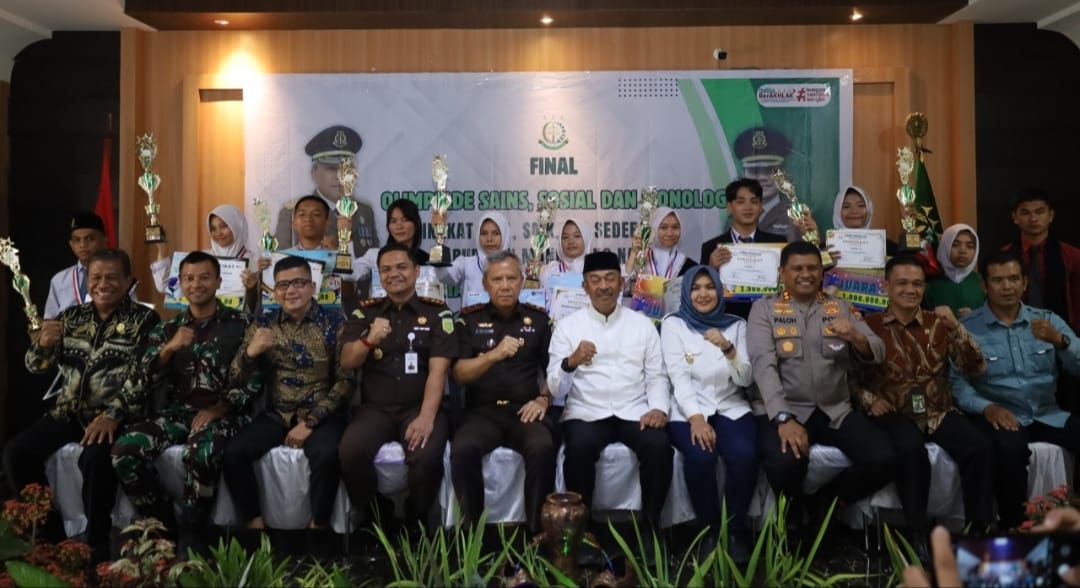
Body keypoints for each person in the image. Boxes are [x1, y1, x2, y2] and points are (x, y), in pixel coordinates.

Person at [3, 249, 160, 562]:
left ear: (128, 280)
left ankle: (96, 548)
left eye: (112, 277)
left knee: (95, 459)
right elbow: (36, 366)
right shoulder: (71, 317)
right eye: (96, 277)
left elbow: (145, 375)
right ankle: (51, 538)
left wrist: (113, 415)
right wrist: (42, 345)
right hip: (68, 413)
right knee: (16, 453)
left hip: (118, 416)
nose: (102, 284)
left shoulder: (144, 320)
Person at [111, 252, 251, 556]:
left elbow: (254, 376)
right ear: (180, 283)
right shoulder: (166, 329)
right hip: (176, 414)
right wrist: (169, 349)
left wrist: (220, 408)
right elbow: (141, 378)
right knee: (125, 452)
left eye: (204, 277)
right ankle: (163, 525)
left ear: (218, 281)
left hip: (225, 413)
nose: (196, 284)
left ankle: (194, 530)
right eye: (189, 278)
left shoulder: (241, 324)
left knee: (203, 453)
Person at [746, 241, 894, 526]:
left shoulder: (839, 307)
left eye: (813, 268)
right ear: (782, 273)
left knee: (884, 457)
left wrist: (855, 337)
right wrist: (783, 418)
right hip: (785, 408)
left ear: (821, 272)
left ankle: (828, 503)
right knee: (785, 463)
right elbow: (764, 366)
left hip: (834, 410)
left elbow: (877, 351)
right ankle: (792, 521)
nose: (806, 274)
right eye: (797, 268)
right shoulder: (763, 309)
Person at [853, 255, 992, 557]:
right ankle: (917, 534)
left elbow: (976, 367)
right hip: (893, 412)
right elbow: (850, 378)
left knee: (979, 448)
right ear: (885, 286)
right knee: (911, 451)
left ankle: (977, 531)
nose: (910, 290)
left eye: (917, 284)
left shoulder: (938, 323)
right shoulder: (867, 326)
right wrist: (870, 400)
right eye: (902, 283)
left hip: (937, 411)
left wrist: (956, 327)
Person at [950, 249, 1080, 530]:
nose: (1007, 286)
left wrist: (1061, 341)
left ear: (1025, 282)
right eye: (998, 280)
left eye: (1013, 279)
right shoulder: (967, 329)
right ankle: (1015, 529)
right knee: (1008, 452)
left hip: (1046, 413)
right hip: (1002, 414)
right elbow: (956, 383)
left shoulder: (1047, 320)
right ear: (984, 286)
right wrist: (987, 408)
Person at [221, 255, 351, 531]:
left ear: (312, 287)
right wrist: (250, 353)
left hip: (323, 415)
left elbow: (345, 382)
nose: (291, 290)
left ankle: (319, 530)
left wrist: (311, 422)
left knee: (327, 455)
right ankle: (256, 529)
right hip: (277, 414)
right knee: (234, 453)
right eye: (283, 285)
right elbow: (234, 378)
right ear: (274, 292)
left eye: (299, 283)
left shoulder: (334, 324)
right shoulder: (263, 325)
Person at [547, 251, 672, 533]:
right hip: (586, 411)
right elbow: (555, 387)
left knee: (659, 446)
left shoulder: (642, 325)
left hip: (634, 410)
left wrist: (658, 408)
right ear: (584, 286)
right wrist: (571, 362)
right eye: (595, 280)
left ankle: (651, 531)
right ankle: (583, 534)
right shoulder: (567, 327)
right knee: (578, 449)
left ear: (621, 283)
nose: (603, 286)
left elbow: (656, 375)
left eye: (610, 278)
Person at [338, 243, 458, 528]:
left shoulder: (438, 313)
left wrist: (426, 417)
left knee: (426, 457)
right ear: (379, 275)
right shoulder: (365, 313)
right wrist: (369, 340)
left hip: (419, 406)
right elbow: (347, 360)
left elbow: (438, 371)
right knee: (350, 451)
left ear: (416, 271)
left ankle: (419, 518)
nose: (394, 274)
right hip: (375, 410)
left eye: (402, 267)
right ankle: (375, 516)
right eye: (386, 269)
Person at [450, 250, 555, 532]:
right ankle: (472, 536)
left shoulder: (539, 320)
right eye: (497, 279)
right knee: (463, 449)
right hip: (481, 413)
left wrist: (543, 399)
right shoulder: (468, 320)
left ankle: (537, 534)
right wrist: (492, 356)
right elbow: (458, 374)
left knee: (542, 447)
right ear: (485, 284)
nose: (505, 285)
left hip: (524, 411)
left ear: (522, 281)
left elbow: (554, 372)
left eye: (511, 278)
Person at [661, 265, 756, 560]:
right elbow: (678, 377)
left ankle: (735, 530)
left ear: (719, 290)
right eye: (695, 288)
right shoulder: (674, 324)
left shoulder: (737, 325)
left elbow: (745, 379)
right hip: (688, 409)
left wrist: (728, 349)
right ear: (686, 293)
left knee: (744, 455)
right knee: (701, 456)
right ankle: (709, 530)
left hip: (730, 405)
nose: (703, 294)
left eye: (709, 287)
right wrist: (696, 418)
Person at [273, 125, 379, 257]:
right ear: (314, 173)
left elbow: (376, 261)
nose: (339, 177)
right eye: (332, 169)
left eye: (346, 170)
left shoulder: (365, 212)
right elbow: (281, 262)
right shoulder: (292, 213)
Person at [701, 178, 787, 320]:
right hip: (726, 319)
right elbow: (702, 292)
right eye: (740, 202)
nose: (748, 207)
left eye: (754, 201)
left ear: (761, 206)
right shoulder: (711, 247)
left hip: (770, 319)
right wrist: (711, 268)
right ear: (729, 207)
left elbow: (788, 286)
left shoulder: (778, 244)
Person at [1002, 189, 1080, 333]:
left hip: (1062, 334)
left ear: (1051, 215)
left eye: (1039, 212)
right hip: (1012, 332)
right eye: (1025, 213)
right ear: (1015, 217)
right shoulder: (1003, 256)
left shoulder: (1072, 256)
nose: (1033, 219)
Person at [352, 199, 433, 298]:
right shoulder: (375, 255)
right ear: (388, 227)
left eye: (405, 220)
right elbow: (351, 274)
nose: (399, 226)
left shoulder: (428, 260)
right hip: (380, 308)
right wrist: (346, 238)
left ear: (416, 224)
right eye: (393, 221)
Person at [435, 211, 511, 302]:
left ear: (505, 235)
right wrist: (439, 240)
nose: (489, 239)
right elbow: (443, 276)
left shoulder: (514, 270)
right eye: (484, 233)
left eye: (495, 233)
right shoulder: (466, 265)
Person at [44, 212, 109, 319]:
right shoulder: (59, 280)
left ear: (104, 241)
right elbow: (50, 320)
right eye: (77, 240)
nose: (83, 245)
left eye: (90, 239)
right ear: (71, 244)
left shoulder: (116, 277)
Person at [926, 223, 984, 317]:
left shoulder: (982, 282)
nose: (963, 251)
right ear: (945, 246)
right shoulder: (930, 283)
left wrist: (975, 317)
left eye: (970, 246)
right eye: (955, 245)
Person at [827, 185, 899, 259]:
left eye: (861, 205)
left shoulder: (889, 248)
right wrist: (825, 259)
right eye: (846, 206)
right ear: (838, 211)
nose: (854, 211)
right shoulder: (826, 249)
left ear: (869, 209)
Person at [625, 207, 697, 278]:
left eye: (675, 227)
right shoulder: (640, 258)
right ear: (654, 228)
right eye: (663, 227)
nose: (669, 233)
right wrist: (633, 253)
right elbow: (626, 283)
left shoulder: (688, 265)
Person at [539, 217, 593, 287]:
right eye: (565, 237)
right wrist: (534, 276)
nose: (571, 241)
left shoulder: (597, 272)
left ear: (586, 239)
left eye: (577, 236)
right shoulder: (549, 272)